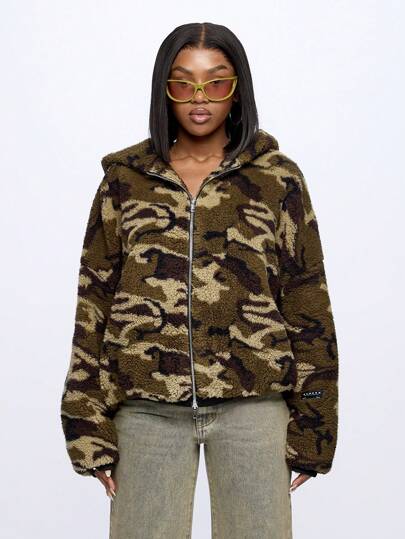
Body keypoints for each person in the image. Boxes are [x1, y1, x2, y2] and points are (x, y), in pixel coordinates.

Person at [60, 21, 339, 539]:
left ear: (238, 89)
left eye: (216, 81)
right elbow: (93, 300)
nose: (199, 97)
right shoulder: (124, 180)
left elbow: (307, 300)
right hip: (145, 409)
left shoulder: (277, 179)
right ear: (164, 90)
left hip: (253, 408)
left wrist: (316, 426)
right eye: (183, 82)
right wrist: (85, 422)